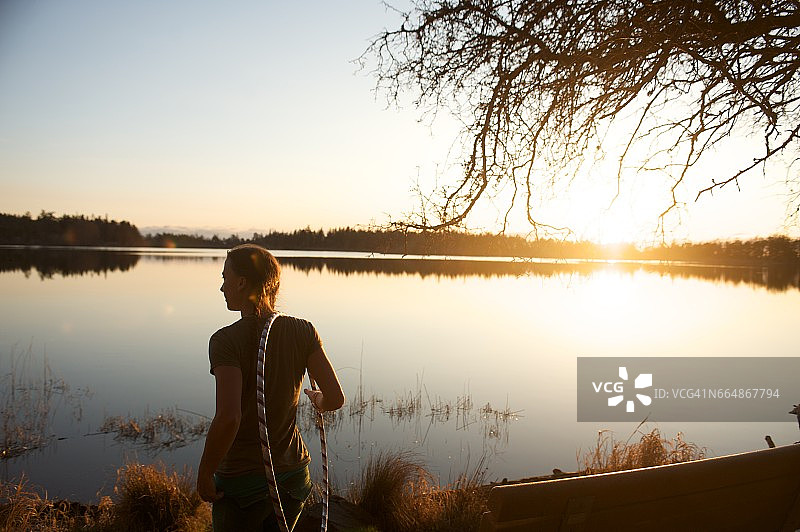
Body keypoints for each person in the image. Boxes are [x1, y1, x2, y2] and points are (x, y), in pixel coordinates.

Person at [197, 244, 345, 531]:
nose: (221, 287)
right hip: (292, 475)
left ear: (241, 283)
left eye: (225, 278)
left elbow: (229, 417)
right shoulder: (304, 330)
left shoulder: (225, 341)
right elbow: (336, 398)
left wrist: (205, 472)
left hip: (242, 481)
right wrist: (319, 400)